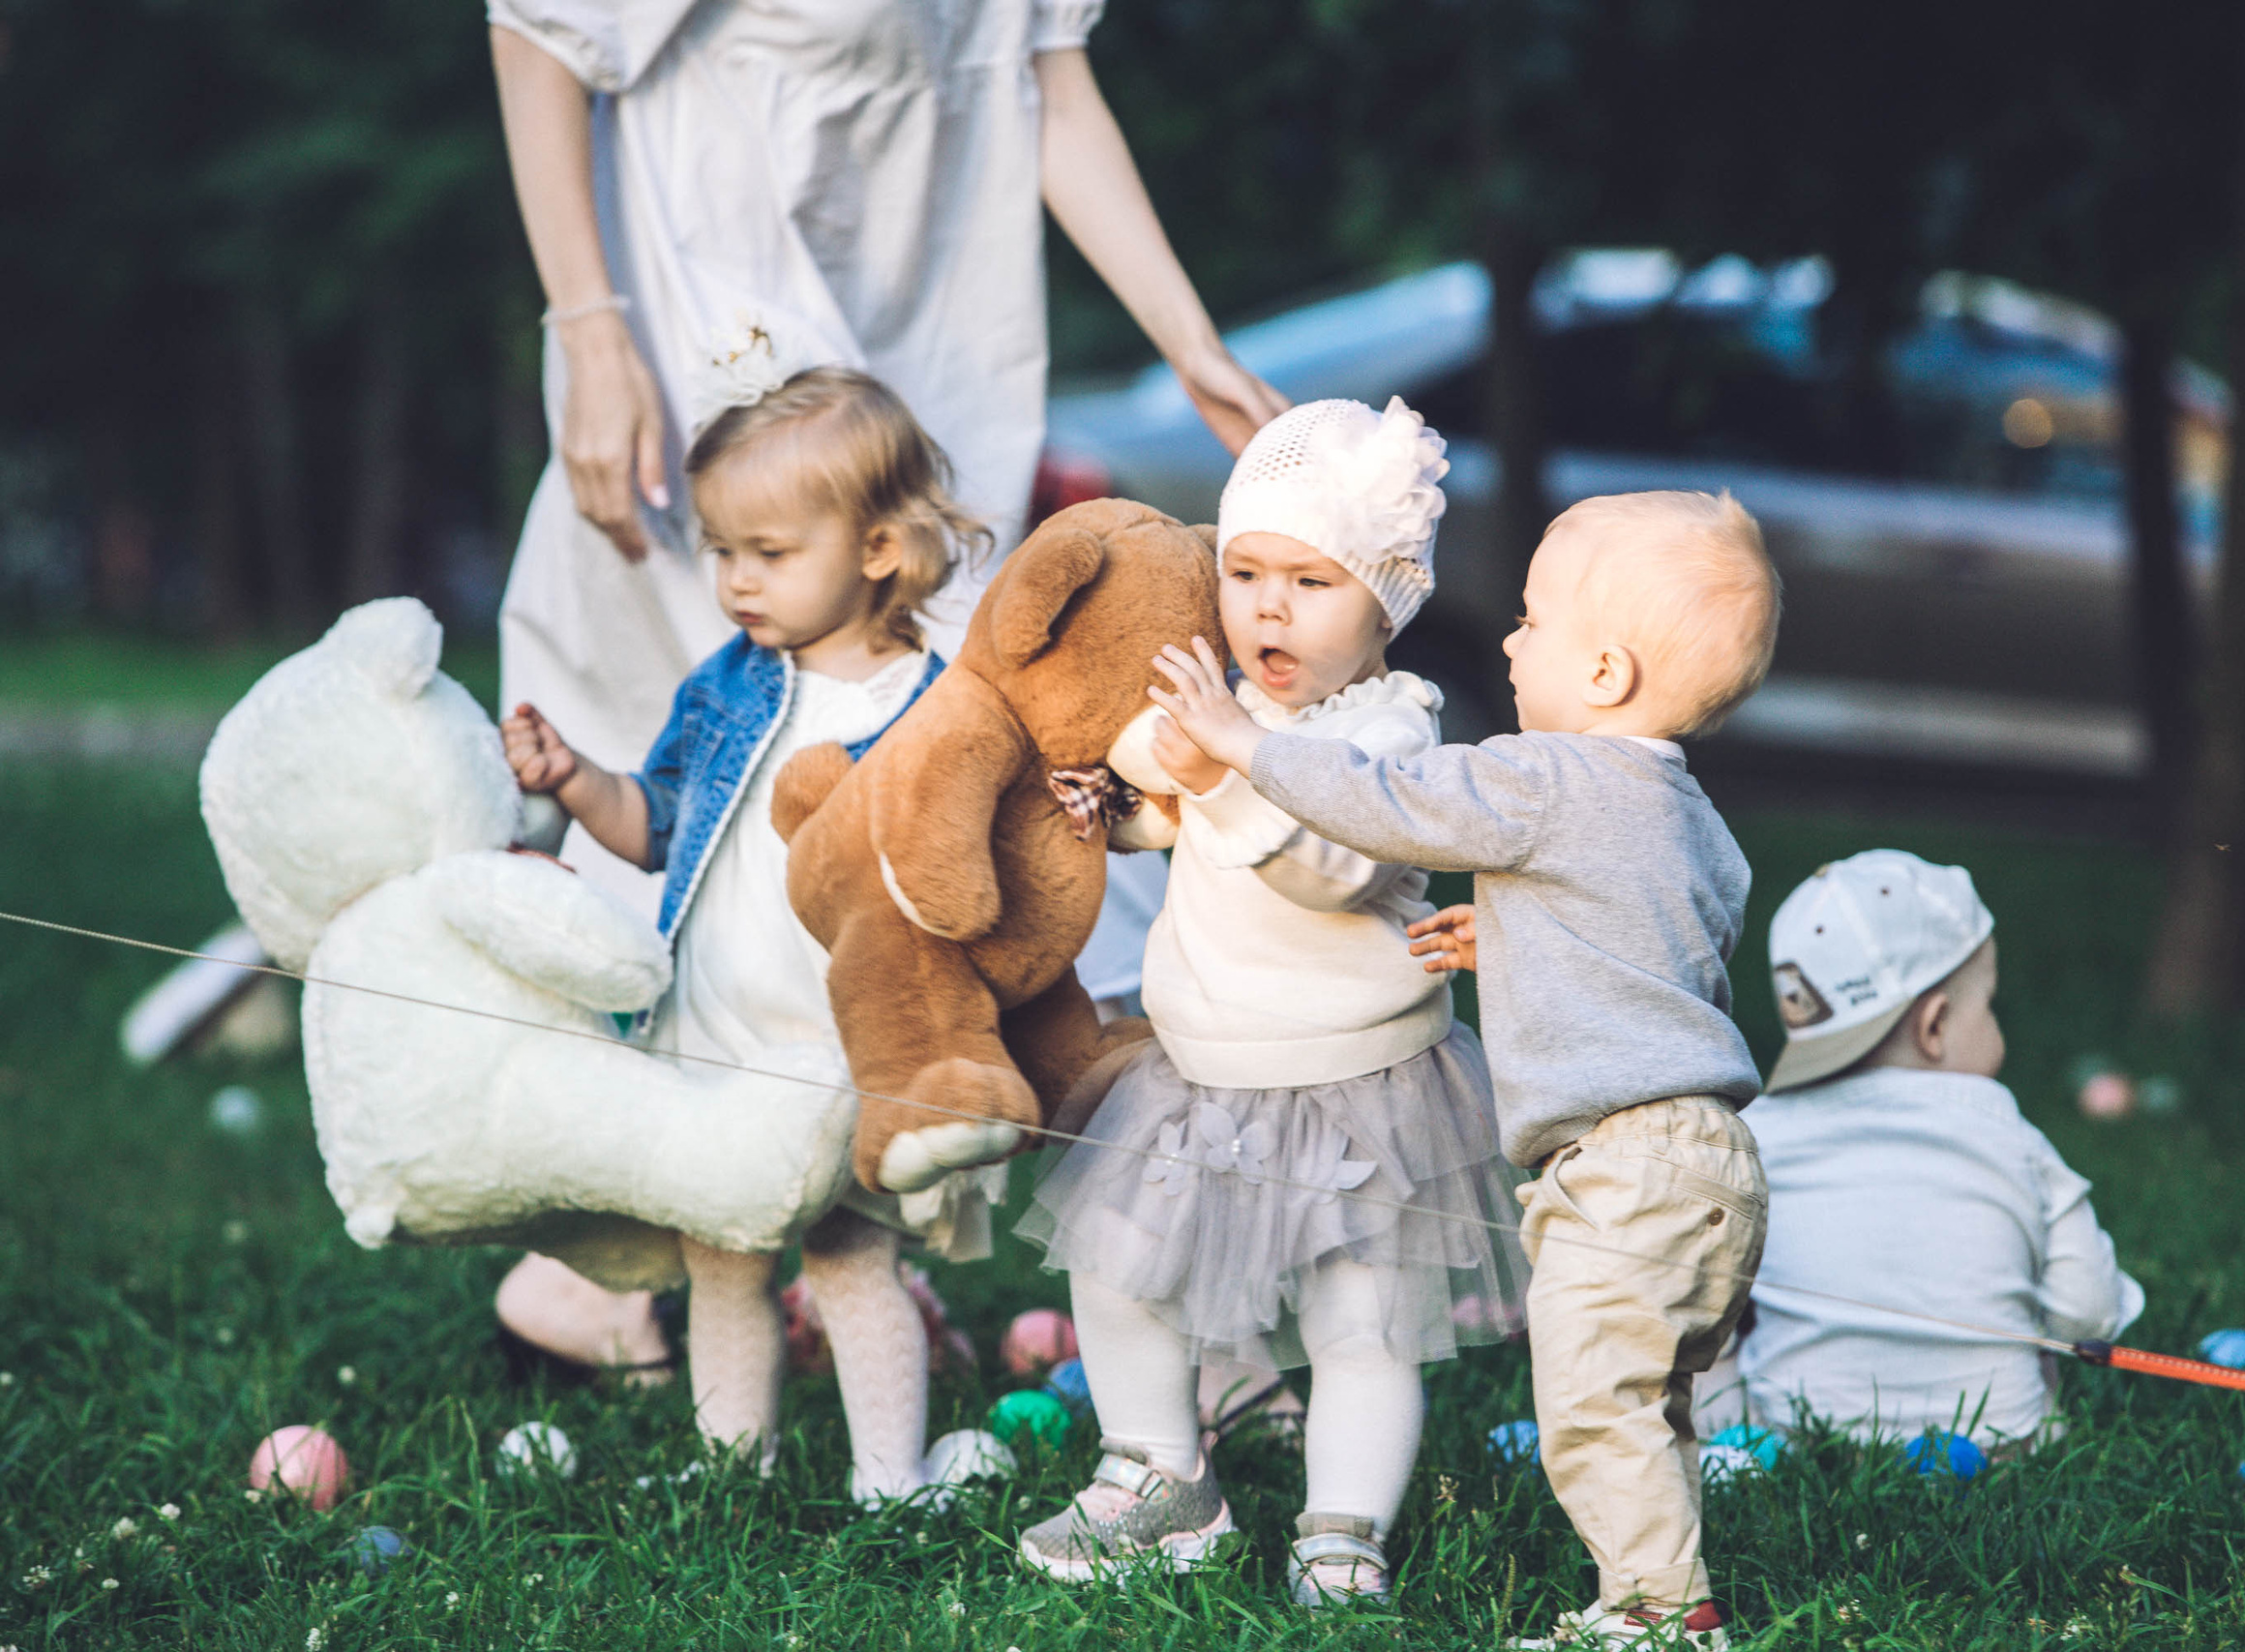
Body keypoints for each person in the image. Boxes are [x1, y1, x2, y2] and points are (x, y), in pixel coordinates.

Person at [484, 0, 1286, 1368]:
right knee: (719, 774)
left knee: (959, 767)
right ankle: (613, 1253)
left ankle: (895, 1216)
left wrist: (1189, 336)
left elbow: (1046, 80)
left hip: (927, 338)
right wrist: (591, 327)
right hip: (707, 316)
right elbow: (541, 31)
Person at [1148, 491, 1781, 1651]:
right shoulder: (1684, 811)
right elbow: (1671, 942)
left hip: (1622, 1164)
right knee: (1648, 1406)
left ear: (1603, 674)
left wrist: (1245, 744)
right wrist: (1522, 938)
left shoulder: (1544, 775)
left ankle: (1658, 1616)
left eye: (1533, 623)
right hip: (1713, 1164)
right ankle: (1654, 1580)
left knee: (1591, 1405)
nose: (1507, 640)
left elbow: (1389, 806)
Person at [1014, 400, 1527, 1606]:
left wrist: (1226, 760)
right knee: (1121, 1267)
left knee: (1361, 1326)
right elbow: (1194, 828)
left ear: (1385, 603)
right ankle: (1157, 1471)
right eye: (1244, 573)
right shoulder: (1240, 719)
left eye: (1311, 580)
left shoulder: (1393, 731)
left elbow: (1332, 865)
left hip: (1359, 1087)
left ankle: (1340, 1534)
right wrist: (1131, 815)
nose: (1267, 608)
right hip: (1202, 1067)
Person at [501, 366, 985, 1495]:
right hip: (718, 1034)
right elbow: (659, 826)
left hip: (842, 1048)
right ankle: (732, 1470)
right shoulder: (727, 685)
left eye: (769, 553)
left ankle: (889, 1477)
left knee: (850, 1258)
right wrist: (578, 782)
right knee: (720, 1257)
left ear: (875, 547)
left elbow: (967, 879)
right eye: (722, 552)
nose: (737, 581)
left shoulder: (933, 707)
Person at [1692, 851, 2144, 1454]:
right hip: (1993, 1442)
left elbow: (1704, 1297)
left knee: (1704, 1352)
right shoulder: (2009, 1136)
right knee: (2042, 1378)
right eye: (1989, 1006)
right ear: (1935, 1027)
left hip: (1802, 1434)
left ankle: (1741, 1451)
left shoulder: (1756, 1139)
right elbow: (2088, 1317)